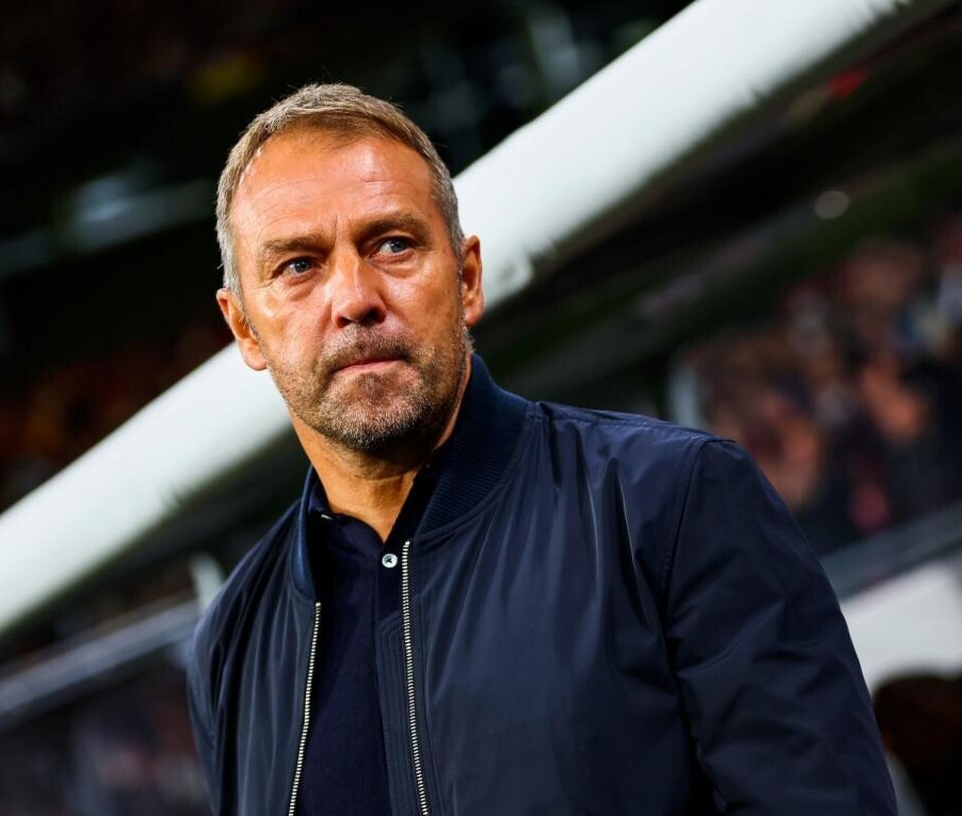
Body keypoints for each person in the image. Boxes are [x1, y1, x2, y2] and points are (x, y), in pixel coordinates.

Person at [185, 83, 895, 815]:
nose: (354, 298)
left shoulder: (672, 501)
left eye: (392, 244)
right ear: (244, 330)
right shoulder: (233, 643)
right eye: (298, 266)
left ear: (466, 279)